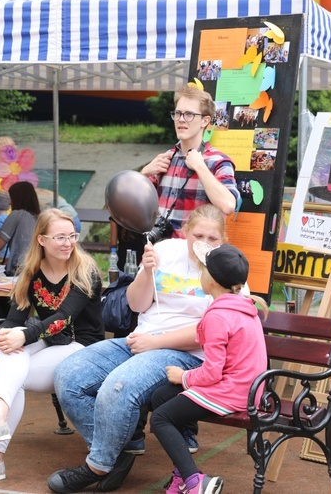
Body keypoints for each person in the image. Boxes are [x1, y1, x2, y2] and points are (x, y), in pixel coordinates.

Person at [48, 205, 227, 493]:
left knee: (119, 386)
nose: (204, 243)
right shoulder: (167, 249)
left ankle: (97, 465)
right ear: (186, 233)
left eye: (213, 238)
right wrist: (147, 272)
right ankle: (119, 450)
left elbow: (214, 331)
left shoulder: (226, 265)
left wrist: (155, 342)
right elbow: (136, 305)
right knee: (69, 375)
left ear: (223, 239)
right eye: (198, 235)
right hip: (141, 340)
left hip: (186, 355)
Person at [0, 208, 105, 486]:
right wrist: (4, 334)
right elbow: (14, 317)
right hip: (51, 341)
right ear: (42, 240)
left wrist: (21, 335)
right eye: (59, 237)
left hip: (84, 350)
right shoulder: (32, 273)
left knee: (16, 363)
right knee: (12, 348)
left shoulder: (86, 271)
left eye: (72, 236)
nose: (68, 243)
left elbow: (63, 319)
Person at [150, 242, 267, 494]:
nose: (199, 274)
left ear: (211, 281)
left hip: (232, 392)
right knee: (160, 397)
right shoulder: (243, 306)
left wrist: (184, 377)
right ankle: (183, 475)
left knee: (160, 419)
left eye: (202, 270)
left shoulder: (218, 316)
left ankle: (194, 483)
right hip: (247, 390)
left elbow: (212, 372)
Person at [141, 86, 240, 237]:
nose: (181, 119)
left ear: (205, 121)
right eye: (178, 113)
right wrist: (143, 174)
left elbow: (228, 205)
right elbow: (131, 206)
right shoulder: (164, 159)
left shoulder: (218, 161)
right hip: (159, 252)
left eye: (189, 114)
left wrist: (200, 167)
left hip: (196, 254)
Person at [0, 181, 40, 277]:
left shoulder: (17, 214)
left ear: (18, 198)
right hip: (36, 268)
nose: (9, 202)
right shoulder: (38, 217)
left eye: (11, 198)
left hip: (19, 271)